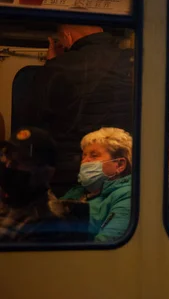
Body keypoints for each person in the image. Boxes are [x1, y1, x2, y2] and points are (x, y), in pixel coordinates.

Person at [25, 24, 134, 196]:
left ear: (67, 36)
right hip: (122, 168)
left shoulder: (57, 68)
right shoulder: (131, 61)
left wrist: (52, 65)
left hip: (69, 171)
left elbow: (35, 120)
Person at [0, 127, 88, 243]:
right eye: (8, 157)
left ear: (46, 173)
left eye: (20, 161)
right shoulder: (10, 202)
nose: (8, 166)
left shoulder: (45, 224)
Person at [61, 127, 133, 243]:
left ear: (119, 165)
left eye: (94, 156)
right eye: (84, 156)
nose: (85, 161)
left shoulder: (127, 196)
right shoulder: (76, 192)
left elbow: (106, 243)